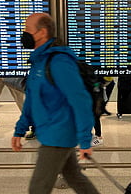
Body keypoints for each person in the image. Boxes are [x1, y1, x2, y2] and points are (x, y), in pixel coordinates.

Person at [11, 13, 99, 194]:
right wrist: (20, 129)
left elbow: (80, 100)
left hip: (58, 135)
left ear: (42, 32)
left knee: (38, 188)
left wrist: (85, 140)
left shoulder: (59, 62)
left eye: (27, 29)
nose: (23, 33)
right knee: (74, 177)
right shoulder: (39, 61)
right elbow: (32, 98)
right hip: (51, 131)